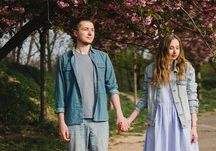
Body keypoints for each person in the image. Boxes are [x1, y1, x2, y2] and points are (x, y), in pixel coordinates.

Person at [54, 18, 129, 151]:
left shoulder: (103, 58)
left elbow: (112, 88)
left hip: (100, 121)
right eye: (85, 29)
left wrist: (120, 115)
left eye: (93, 30)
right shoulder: (65, 60)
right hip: (74, 121)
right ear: (75, 33)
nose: (90, 33)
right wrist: (61, 122)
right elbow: (60, 94)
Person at [126, 33, 200, 151]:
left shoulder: (186, 68)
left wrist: (194, 127)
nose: (175, 51)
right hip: (158, 119)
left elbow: (192, 99)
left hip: (180, 119)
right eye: (171, 48)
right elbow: (145, 98)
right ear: (164, 49)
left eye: (177, 48)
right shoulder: (151, 70)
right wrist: (129, 120)